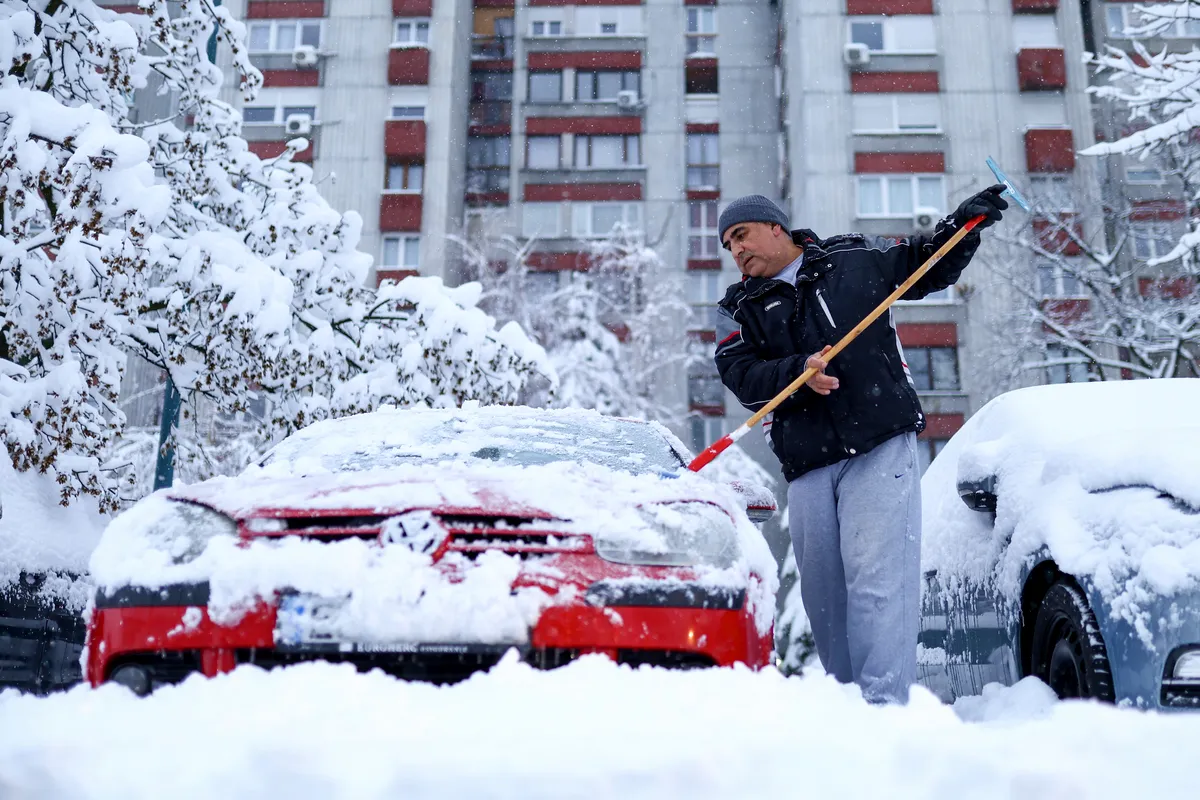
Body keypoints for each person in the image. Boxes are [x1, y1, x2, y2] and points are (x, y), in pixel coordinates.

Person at [713, 188, 1007, 703]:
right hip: (807, 464)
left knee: (879, 581)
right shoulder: (737, 308)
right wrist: (796, 374)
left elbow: (924, 263)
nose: (735, 250)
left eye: (741, 235)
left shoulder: (851, 257)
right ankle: (844, 706)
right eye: (727, 244)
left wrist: (965, 225)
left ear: (776, 227)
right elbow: (740, 375)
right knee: (824, 597)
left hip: (878, 442)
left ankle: (884, 707)